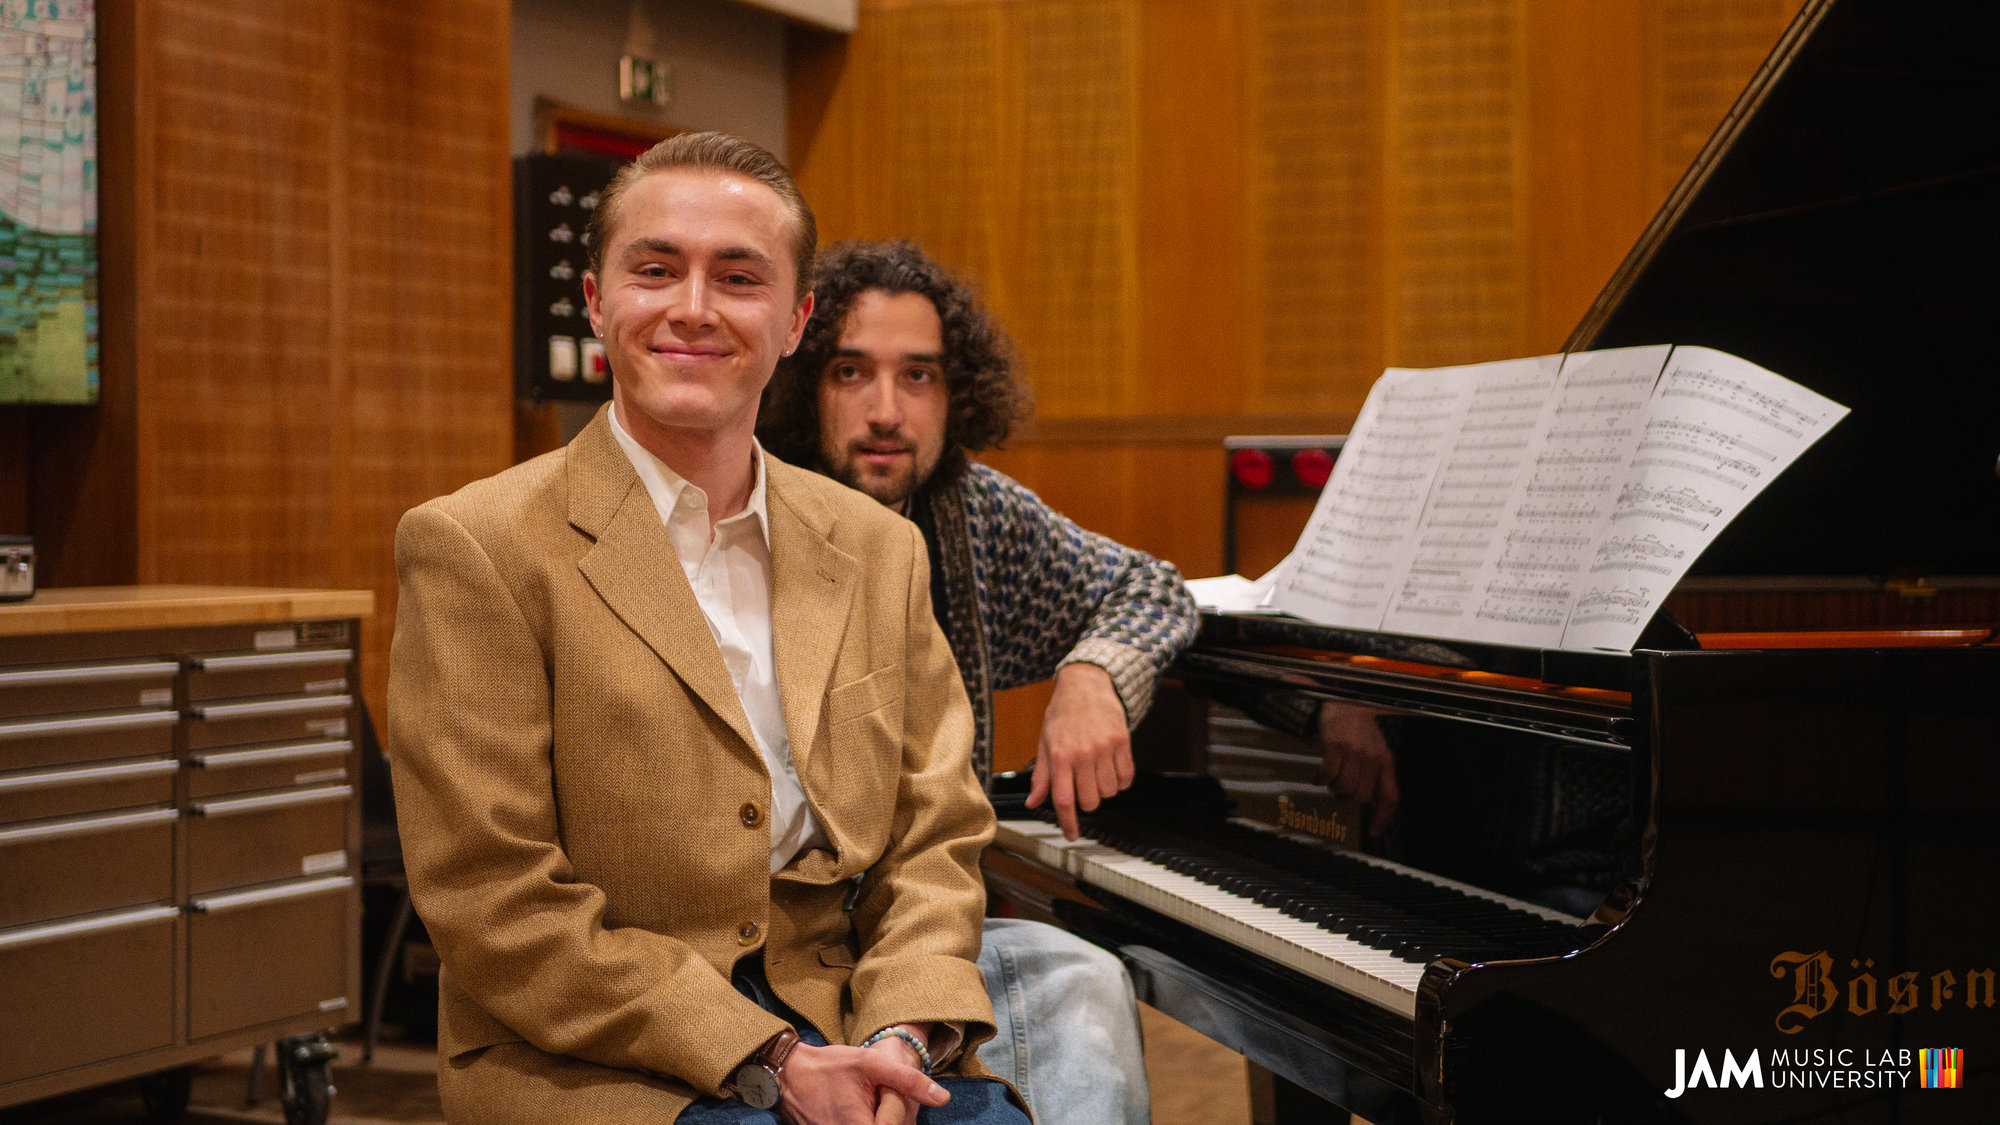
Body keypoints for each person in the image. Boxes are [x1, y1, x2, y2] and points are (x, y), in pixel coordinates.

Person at [388, 135, 1028, 1125]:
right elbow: (495, 900)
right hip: (597, 1051)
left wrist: (899, 1036)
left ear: (794, 320)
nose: (693, 308)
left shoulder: (875, 546)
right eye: (654, 270)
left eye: (737, 277)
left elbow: (933, 840)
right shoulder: (477, 546)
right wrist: (774, 1055)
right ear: (596, 302)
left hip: (848, 1016)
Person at [759, 240, 1202, 1125]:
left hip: (927, 935)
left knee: (1085, 978)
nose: (887, 410)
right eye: (852, 372)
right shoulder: (753, 507)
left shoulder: (973, 511)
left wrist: (1094, 670)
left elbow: (1150, 587)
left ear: (956, 392)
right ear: (806, 383)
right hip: (775, 953)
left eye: (919, 376)